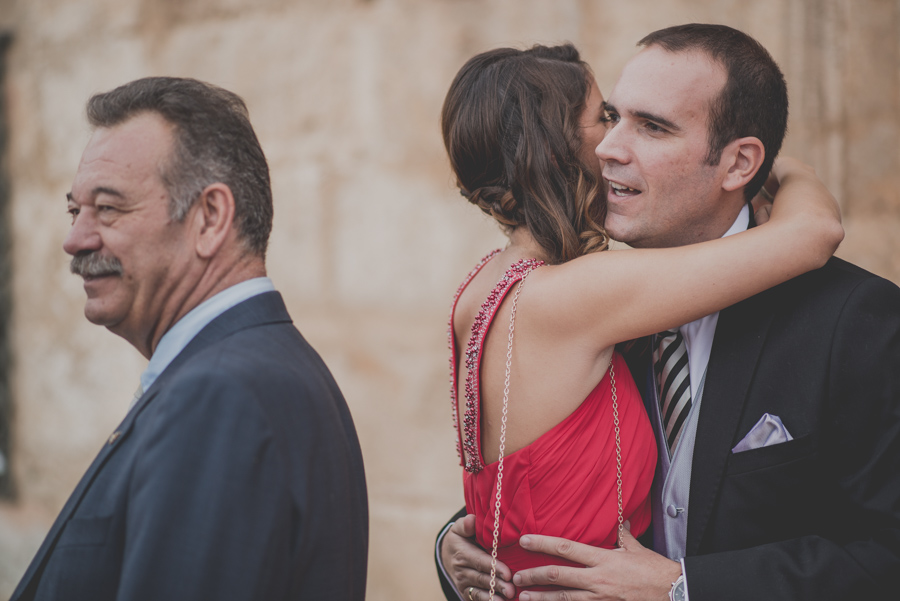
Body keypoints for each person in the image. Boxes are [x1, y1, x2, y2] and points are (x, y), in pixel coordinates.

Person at [437, 36, 850, 601]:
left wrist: (451, 542)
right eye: (602, 119)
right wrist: (784, 168)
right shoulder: (586, 294)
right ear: (556, 147)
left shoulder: (481, 288)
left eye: (642, 125)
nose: (612, 144)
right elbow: (812, 235)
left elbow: (525, 481)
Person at [11, 77, 368, 601]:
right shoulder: (265, 367)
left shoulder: (221, 395)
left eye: (107, 208)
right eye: (75, 210)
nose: (75, 239)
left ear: (210, 217)